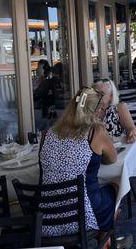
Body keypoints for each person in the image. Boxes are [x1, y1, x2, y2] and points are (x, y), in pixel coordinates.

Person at [38, 87, 117, 243]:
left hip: (46, 220)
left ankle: (104, 238)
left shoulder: (47, 133)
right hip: (82, 217)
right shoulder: (95, 132)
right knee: (115, 188)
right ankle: (105, 239)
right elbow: (112, 159)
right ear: (96, 111)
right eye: (102, 109)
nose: (103, 113)